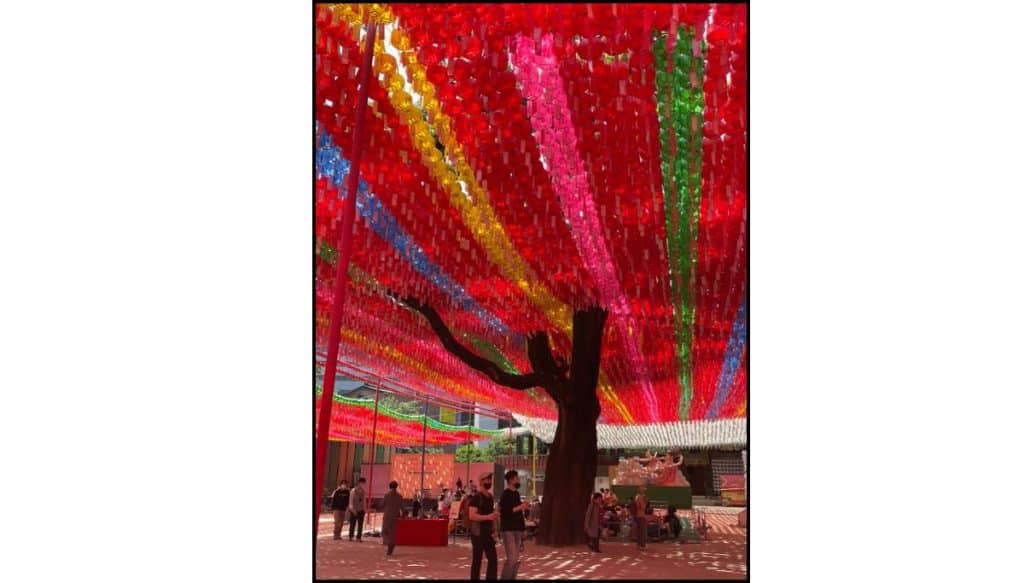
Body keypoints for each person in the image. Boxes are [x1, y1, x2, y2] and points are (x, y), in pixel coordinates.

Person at [467, 472, 499, 580]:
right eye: (487, 480)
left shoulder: (490, 497)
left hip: (488, 533)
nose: (489, 482)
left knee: (493, 559)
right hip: (478, 534)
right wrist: (488, 517)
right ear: (481, 482)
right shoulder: (476, 498)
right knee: (477, 560)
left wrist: (494, 530)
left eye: (490, 480)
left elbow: (492, 515)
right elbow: (472, 516)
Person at [498, 470, 529, 580]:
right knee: (512, 557)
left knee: (516, 557)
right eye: (517, 478)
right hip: (508, 529)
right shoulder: (505, 494)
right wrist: (521, 507)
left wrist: (523, 529)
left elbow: (519, 514)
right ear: (511, 480)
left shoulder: (516, 493)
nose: (519, 480)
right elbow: (505, 512)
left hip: (517, 529)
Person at [380, 480, 403, 556]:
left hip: (387, 516)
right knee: (392, 533)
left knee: (384, 531)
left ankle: (389, 543)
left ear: (389, 486)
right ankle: (391, 544)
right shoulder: (400, 496)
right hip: (395, 516)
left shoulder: (387, 495)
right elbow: (402, 507)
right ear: (396, 487)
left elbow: (382, 504)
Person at [348, 477, 367, 542]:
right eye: (362, 483)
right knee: (352, 524)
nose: (363, 484)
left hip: (361, 510)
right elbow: (351, 501)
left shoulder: (363, 491)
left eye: (364, 483)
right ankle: (351, 536)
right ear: (359, 483)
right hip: (354, 510)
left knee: (360, 525)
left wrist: (364, 509)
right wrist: (353, 510)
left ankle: (358, 537)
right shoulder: (353, 491)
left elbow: (364, 501)